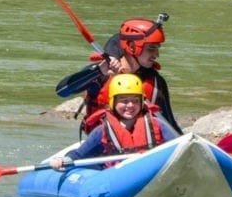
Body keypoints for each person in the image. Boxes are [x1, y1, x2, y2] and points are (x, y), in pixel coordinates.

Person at [50, 73, 179, 170]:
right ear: (113, 102)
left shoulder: (157, 125)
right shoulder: (102, 130)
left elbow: (177, 147)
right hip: (115, 175)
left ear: (142, 102)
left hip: (150, 171)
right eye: (124, 101)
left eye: (135, 100)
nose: (130, 105)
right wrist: (64, 160)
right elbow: (79, 155)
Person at [73, 15, 176, 133]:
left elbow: (169, 121)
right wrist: (99, 71)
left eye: (157, 48)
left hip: (142, 146)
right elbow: (62, 91)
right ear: (132, 47)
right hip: (101, 144)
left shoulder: (156, 82)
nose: (157, 54)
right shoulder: (101, 73)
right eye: (151, 48)